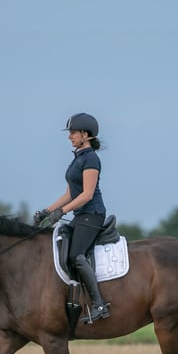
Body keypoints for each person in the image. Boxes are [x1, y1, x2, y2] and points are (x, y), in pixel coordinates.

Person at [35, 112, 111, 323]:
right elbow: (69, 194)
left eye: (73, 133)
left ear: (85, 135)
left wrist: (62, 212)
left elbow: (87, 194)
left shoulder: (92, 159)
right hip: (80, 214)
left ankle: (99, 304)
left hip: (92, 215)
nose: (70, 136)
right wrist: (47, 211)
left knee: (76, 255)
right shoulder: (77, 159)